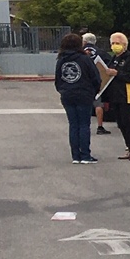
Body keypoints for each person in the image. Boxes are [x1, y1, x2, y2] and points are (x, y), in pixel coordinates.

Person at [54, 32, 102, 164]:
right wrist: (94, 92)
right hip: (84, 94)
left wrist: (63, 90)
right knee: (84, 125)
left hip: (67, 95)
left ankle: (75, 156)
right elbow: (95, 77)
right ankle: (85, 155)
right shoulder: (84, 59)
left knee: (73, 125)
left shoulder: (61, 60)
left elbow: (58, 80)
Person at [103, 32, 130, 160]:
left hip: (127, 95)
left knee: (127, 122)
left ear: (124, 45)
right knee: (121, 123)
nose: (115, 46)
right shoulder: (114, 59)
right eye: (113, 43)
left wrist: (117, 74)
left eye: (118, 43)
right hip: (116, 95)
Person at [86, 33, 112, 136]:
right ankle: (100, 126)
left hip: (83, 82)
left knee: (85, 104)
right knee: (98, 104)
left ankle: (84, 126)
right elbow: (110, 64)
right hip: (97, 82)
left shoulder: (79, 52)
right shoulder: (101, 52)